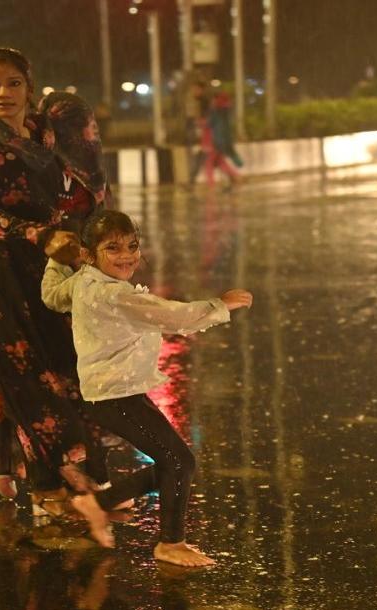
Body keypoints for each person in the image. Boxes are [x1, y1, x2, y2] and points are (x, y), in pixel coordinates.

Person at [41, 210, 253, 566]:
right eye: (113, 248)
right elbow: (172, 316)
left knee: (175, 462)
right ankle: (169, 543)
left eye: (132, 245)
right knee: (179, 461)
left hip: (115, 392)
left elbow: (51, 296)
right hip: (115, 395)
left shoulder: (84, 281)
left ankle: (98, 504)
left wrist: (56, 263)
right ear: (90, 255)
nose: (127, 255)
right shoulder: (113, 296)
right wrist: (221, 305)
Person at [0, 48, 107, 509]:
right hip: (2, 273)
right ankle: (49, 482)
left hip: (54, 266)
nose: (3, 93)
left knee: (64, 366)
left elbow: (81, 172)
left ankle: (13, 461)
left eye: (13, 83)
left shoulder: (43, 131)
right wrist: (39, 235)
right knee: (27, 375)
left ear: (29, 88)